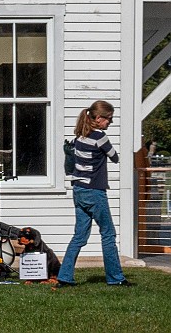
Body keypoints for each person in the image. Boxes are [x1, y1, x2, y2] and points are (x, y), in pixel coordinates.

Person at [57, 101, 132, 287]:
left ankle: (64, 277)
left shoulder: (79, 138)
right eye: (109, 119)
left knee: (79, 236)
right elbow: (115, 157)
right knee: (108, 234)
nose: (110, 123)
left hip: (79, 190)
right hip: (94, 191)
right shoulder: (100, 137)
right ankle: (115, 278)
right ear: (99, 118)